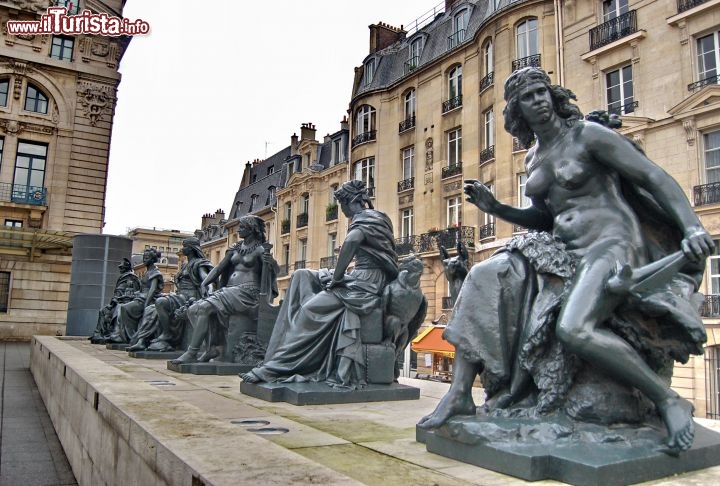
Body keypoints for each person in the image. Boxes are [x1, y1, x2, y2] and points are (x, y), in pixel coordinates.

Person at [417, 67, 713, 454]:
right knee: (484, 275)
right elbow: (547, 217)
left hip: (612, 245)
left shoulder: (588, 135)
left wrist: (691, 227)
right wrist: (499, 208)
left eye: (542, 92)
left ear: (552, 96)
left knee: (574, 329)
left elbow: (652, 176)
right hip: (564, 248)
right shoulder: (534, 159)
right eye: (528, 97)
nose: (538, 100)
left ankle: (667, 399)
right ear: (517, 110)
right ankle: (459, 393)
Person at [241, 180, 399, 387]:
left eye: (340, 205)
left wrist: (336, 279)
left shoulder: (364, 220)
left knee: (308, 312)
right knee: (302, 274)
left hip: (366, 282)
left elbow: (351, 243)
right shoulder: (378, 218)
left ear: (348, 202)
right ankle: (276, 350)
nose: (341, 210)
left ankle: (275, 368)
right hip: (359, 276)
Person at [172, 215, 277, 364]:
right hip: (230, 290)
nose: (239, 229)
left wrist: (270, 263)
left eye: (242, 227)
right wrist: (204, 283)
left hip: (248, 292)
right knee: (193, 309)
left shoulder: (260, 250)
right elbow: (219, 269)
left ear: (251, 229)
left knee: (203, 308)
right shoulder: (235, 248)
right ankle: (212, 347)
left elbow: (271, 273)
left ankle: (192, 352)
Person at [127, 238, 213, 352]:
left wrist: (207, 290)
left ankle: (167, 335)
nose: (182, 249)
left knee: (160, 302)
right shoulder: (185, 265)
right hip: (180, 296)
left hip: (190, 297)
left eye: (185, 246)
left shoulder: (199, 263)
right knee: (150, 309)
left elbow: (207, 279)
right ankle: (142, 341)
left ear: (192, 248)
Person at [109, 248, 164, 343]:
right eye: (144, 257)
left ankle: (129, 336)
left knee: (124, 308)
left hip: (147, 299)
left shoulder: (155, 272)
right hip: (140, 297)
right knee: (120, 306)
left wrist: (146, 303)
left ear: (152, 259)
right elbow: (142, 289)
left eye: (146, 258)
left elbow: (152, 290)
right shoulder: (147, 272)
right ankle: (122, 334)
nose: (144, 260)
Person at [89, 258, 140, 344]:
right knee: (103, 310)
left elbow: (133, 293)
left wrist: (116, 301)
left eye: (121, 266)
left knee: (116, 310)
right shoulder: (123, 277)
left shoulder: (132, 277)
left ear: (126, 267)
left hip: (125, 302)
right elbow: (118, 293)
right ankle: (98, 334)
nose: (120, 268)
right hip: (118, 301)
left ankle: (116, 333)